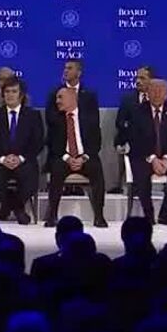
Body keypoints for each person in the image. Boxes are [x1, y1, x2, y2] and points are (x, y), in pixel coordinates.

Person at [123, 78, 167, 225]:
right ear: (147, 93)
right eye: (154, 90)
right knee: (141, 173)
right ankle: (148, 214)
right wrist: (153, 159)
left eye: (161, 91)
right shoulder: (137, 111)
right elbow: (134, 140)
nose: (157, 94)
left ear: (166, 94)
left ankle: (165, 213)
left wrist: (166, 159)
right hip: (143, 156)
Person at [0, 78, 44, 224]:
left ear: (21, 95)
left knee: (29, 178)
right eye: (7, 92)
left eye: (14, 91)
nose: (10, 95)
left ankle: (8, 207)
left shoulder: (33, 116)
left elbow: (37, 143)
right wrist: (3, 158)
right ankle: (17, 208)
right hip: (0, 161)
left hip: (24, 160)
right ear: (2, 95)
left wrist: (20, 158)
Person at [43, 86, 106, 228]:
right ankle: (52, 216)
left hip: (84, 158)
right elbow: (52, 144)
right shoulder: (55, 120)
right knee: (56, 168)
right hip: (64, 158)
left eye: (60, 98)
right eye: (56, 98)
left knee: (96, 169)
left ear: (72, 98)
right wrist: (68, 158)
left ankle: (99, 216)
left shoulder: (88, 118)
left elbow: (96, 143)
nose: (57, 101)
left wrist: (83, 158)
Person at [114, 65, 154, 153]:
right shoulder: (127, 100)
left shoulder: (158, 100)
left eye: (142, 78)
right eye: (137, 78)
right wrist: (119, 143)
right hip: (131, 148)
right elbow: (120, 124)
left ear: (152, 80)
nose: (138, 81)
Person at [45, 58, 99, 125]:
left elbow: (94, 122)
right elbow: (51, 119)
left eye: (69, 68)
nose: (65, 71)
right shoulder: (55, 94)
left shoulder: (89, 96)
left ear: (79, 73)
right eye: (65, 68)